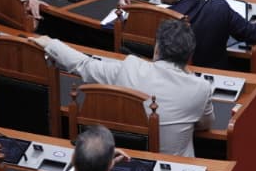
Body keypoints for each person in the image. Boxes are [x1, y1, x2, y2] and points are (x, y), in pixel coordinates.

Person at [32, 19, 213, 157]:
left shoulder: (129, 68)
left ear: (157, 49)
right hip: (171, 167)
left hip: (121, 158)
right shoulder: (201, 88)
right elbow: (205, 124)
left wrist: (51, 44)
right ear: (189, 56)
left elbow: (84, 65)